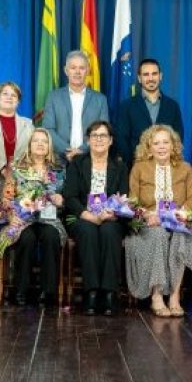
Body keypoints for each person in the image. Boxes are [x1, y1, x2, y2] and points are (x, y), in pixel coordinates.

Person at [125, 125, 192, 317]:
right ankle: (156, 296)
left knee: (181, 236)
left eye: (166, 142)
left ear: (173, 146)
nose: (162, 146)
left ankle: (174, 296)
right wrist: (147, 215)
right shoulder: (139, 168)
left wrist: (178, 215)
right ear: (148, 148)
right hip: (149, 223)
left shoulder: (185, 168)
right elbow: (132, 202)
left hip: (177, 221)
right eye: (156, 143)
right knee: (158, 234)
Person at [62, 121, 129, 316]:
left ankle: (109, 293)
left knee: (109, 231)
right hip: (82, 216)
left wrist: (113, 213)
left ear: (111, 140)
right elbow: (70, 197)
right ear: (88, 140)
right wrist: (89, 216)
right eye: (94, 135)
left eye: (103, 135)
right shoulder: (77, 163)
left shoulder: (120, 165)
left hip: (112, 217)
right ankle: (90, 292)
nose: (99, 139)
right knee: (88, 230)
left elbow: (124, 196)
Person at [9, 128, 67, 306]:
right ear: (29, 145)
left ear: (50, 146)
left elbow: (68, 197)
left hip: (50, 219)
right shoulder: (17, 168)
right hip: (24, 219)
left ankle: (47, 291)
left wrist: (61, 200)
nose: (40, 144)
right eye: (36, 141)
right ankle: (21, 289)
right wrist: (11, 215)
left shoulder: (59, 169)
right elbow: (7, 197)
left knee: (51, 236)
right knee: (26, 238)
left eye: (45, 141)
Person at [42, 50, 110, 161]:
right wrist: (68, 151)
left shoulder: (100, 99)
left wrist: (81, 150)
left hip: (90, 159)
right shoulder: (53, 97)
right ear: (66, 70)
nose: (77, 72)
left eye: (82, 68)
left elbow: (103, 131)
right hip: (59, 160)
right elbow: (48, 129)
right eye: (73, 68)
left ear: (88, 70)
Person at [115, 58, 185, 167]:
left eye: (154, 74)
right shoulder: (127, 106)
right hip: (136, 167)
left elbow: (177, 138)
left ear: (160, 76)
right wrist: (135, 163)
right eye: (146, 74)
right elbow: (121, 139)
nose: (151, 78)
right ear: (139, 78)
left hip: (167, 167)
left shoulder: (172, 106)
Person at [0, 81, 33, 177]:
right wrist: (2, 169)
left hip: (22, 177)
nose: (9, 97)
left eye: (14, 95)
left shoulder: (28, 124)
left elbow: (33, 151)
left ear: (18, 102)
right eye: (5, 94)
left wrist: (18, 172)